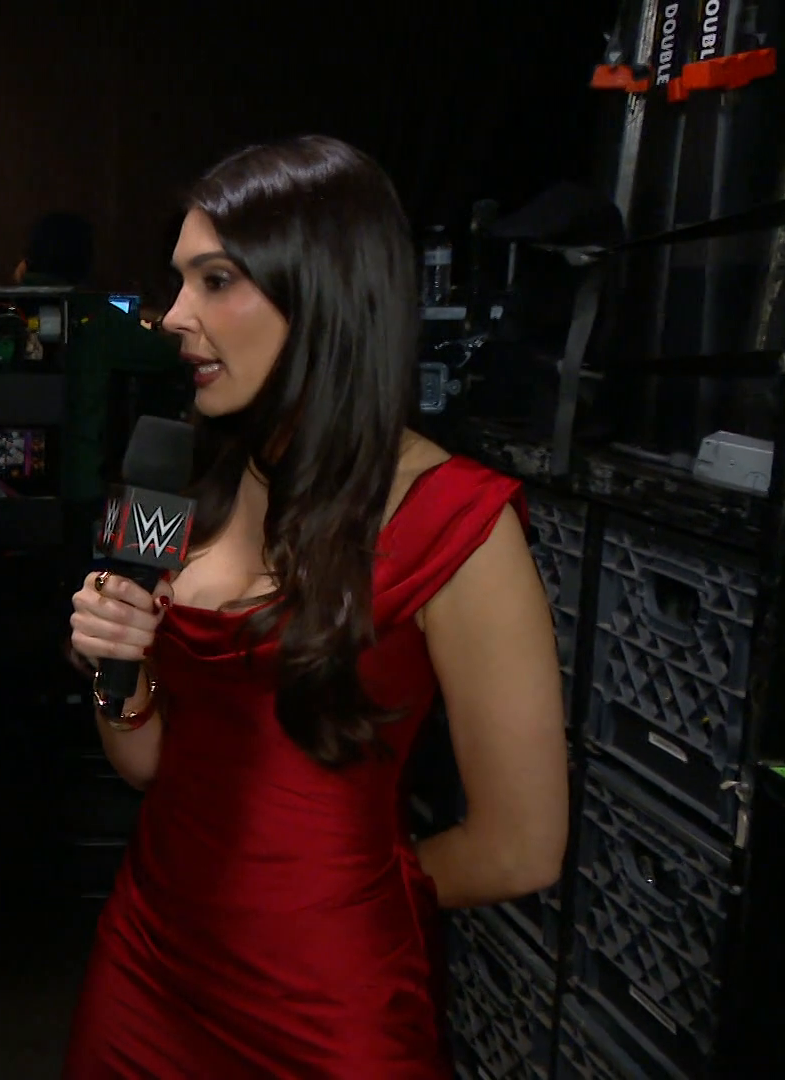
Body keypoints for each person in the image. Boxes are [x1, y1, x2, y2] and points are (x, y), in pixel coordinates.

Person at [61, 136, 569, 1078]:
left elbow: (522, 848)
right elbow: (146, 765)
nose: (174, 316)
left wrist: (332, 896)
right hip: (147, 972)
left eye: (215, 281)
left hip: (325, 1009)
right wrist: (116, 668)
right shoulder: (175, 484)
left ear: (326, 296)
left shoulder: (457, 522)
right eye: (179, 282)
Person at [12, 211, 187, 506]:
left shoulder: (8, 305)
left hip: (9, 480)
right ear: (84, 260)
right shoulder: (96, 316)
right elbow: (170, 354)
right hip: (78, 485)